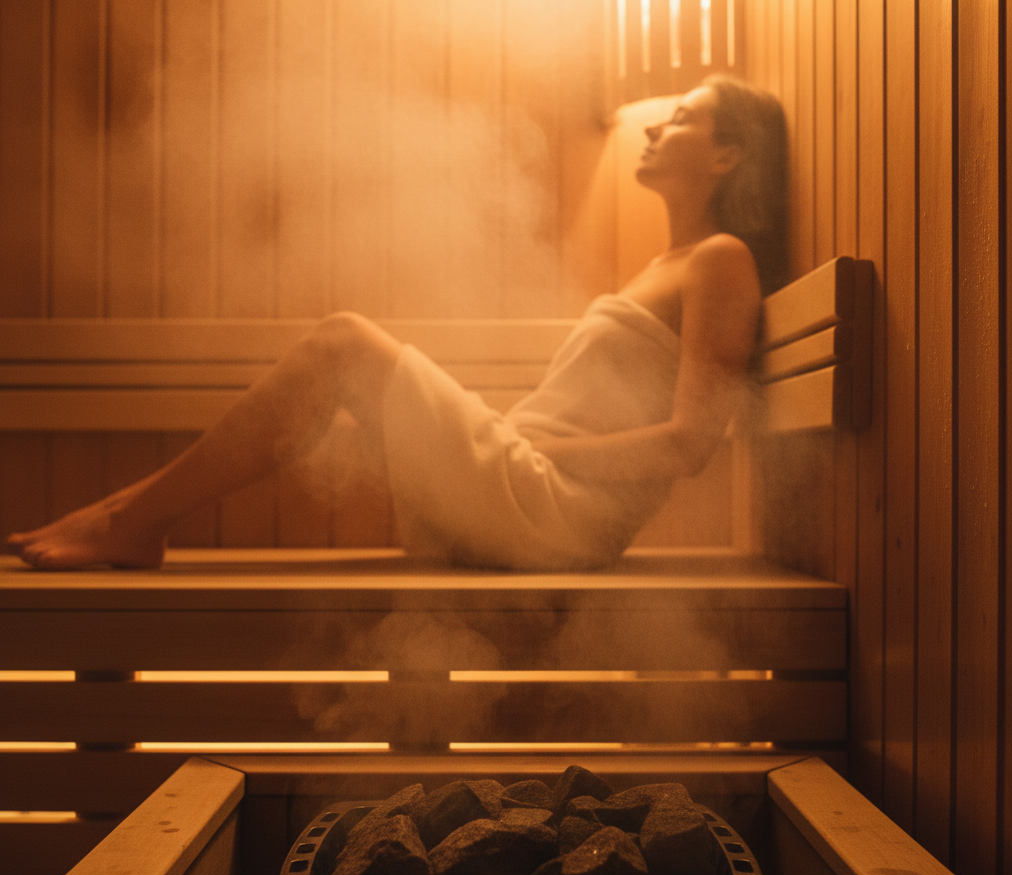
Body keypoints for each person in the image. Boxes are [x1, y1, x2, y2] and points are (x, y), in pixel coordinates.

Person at [4, 75, 787, 573]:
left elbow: (690, 446)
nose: (654, 127)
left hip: (555, 512)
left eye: (682, 117)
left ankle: (126, 521)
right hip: (529, 487)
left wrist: (546, 447)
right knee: (339, 373)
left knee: (343, 343)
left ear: (727, 157)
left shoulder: (722, 260)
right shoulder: (670, 263)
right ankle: (127, 515)